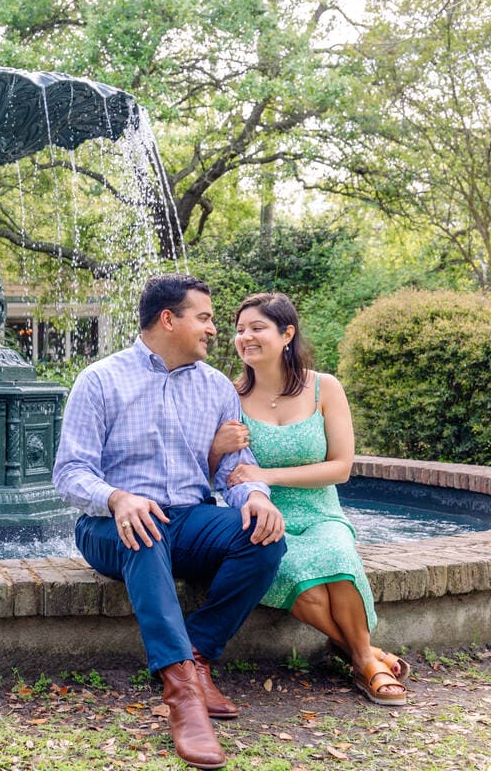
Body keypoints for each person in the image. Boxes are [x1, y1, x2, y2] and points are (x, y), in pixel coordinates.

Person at [53, 274, 286, 771]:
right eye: (204, 318)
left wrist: (258, 496)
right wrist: (117, 498)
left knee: (263, 538)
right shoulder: (100, 379)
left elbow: (233, 470)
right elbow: (69, 473)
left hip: (189, 517)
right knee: (144, 527)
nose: (214, 330)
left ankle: (197, 655)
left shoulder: (217, 387)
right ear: (168, 319)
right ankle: (182, 694)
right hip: (108, 524)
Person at [211, 292, 409, 707]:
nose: (244, 336)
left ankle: (363, 661)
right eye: (240, 329)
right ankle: (366, 658)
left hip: (320, 512)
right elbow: (218, 472)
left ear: (287, 333)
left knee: (338, 562)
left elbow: (341, 467)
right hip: (263, 515)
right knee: (306, 586)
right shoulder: (228, 395)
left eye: (257, 328)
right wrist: (216, 448)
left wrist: (268, 473)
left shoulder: (324, 388)